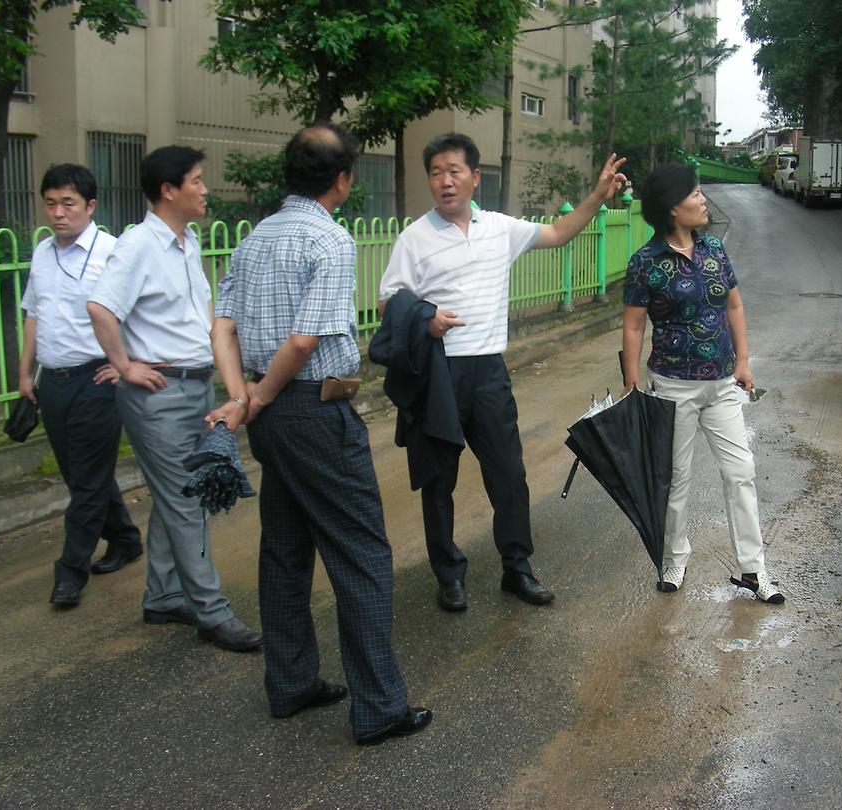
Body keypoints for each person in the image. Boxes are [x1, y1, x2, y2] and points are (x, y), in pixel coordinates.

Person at [209, 124, 431, 744]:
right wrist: (266, 393)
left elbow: (221, 326)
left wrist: (243, 397)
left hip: (270, 414)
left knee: (284, 549)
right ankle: (380, 708)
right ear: (343, 179)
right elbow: (306, 339)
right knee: (362, 554)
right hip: (309, 409)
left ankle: (292, 684)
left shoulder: (253, 241)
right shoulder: (330, 241)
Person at [378, 132, 627, 612]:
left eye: (454, 171)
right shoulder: (414, 237)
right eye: (436, 172)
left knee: (509, 475)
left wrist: (597, 195)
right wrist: (424, 316)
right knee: (439, 482)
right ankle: (448, 574)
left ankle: (517, 568)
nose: (445, 181)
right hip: (438, 376)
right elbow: (388, 301)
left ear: (475, 177)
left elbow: (558, 234)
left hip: (488, 371)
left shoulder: (499, 228)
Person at [87, 146, 263, 650]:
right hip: (158, 394)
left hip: (195, 387)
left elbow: (204, 320)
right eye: (197, 180)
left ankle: (164, 596)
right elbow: (101, 308)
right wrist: (123, 365)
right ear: (169, 189)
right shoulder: (138, 244)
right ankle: (212, 612)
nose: (205, 190)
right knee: (188, 499)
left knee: (176, 497)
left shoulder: (185, 243)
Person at [621, 162, 784, 605]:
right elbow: (634, 326)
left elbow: (734, 305)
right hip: (672, 387)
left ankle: (754, 570)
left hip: (722, 384)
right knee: (676, 479)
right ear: (674, 208)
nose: (703, 200)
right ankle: (674, 558)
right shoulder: (645, 264)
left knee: (741, 473)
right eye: (695, 194)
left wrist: (744, 362)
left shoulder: (714, 248)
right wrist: (633, 385)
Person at [18, 164, 143, 608]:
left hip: (97, 379)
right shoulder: (42, 253)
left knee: (87, 481)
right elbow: (34, 313)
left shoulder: (113, 253)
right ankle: (126, 539)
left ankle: (70, 572)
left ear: (90, 206)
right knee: (80, 475)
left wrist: (124, 365)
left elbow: (137, 314)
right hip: (54, 381)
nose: (57, 213)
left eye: (68, 203)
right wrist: (25, 373)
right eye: (50, 203)